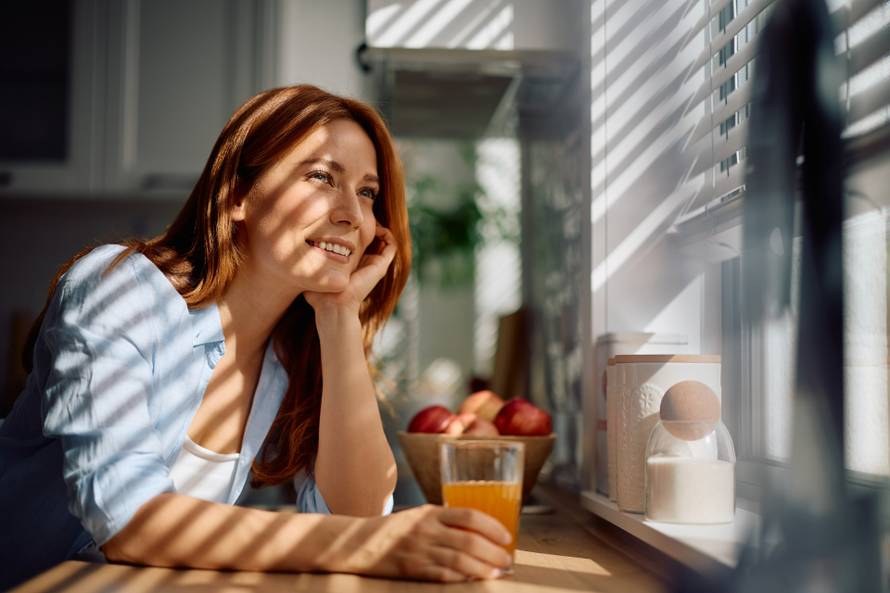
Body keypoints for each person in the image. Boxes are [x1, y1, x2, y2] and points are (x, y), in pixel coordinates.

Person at [0, 84, 513, 588]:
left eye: (367, 193)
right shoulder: (118, 292)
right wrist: (364, 544)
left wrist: (340, 316)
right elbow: (127, 519)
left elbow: (357, 514)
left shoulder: (291, 351)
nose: (352, 216)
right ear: (237, 195)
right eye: (321, 177)